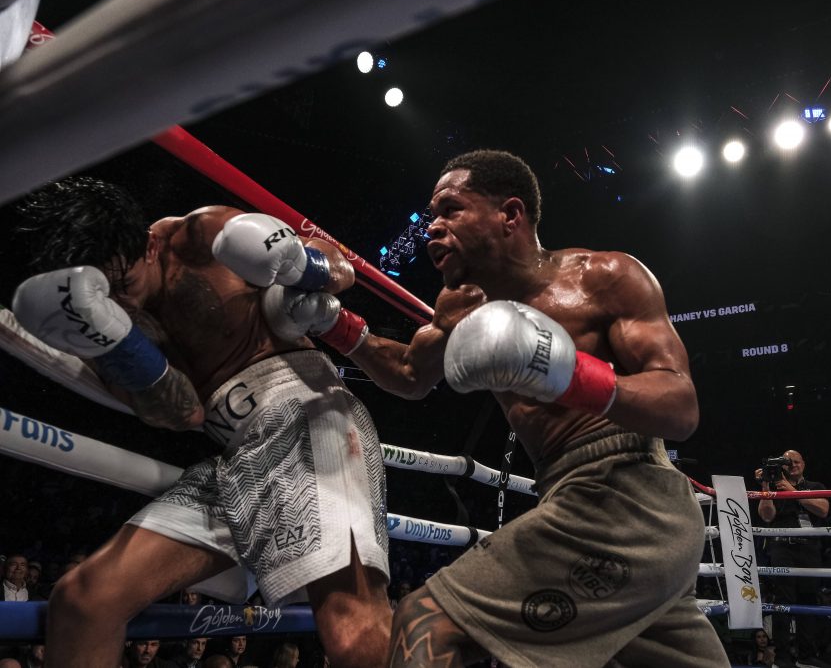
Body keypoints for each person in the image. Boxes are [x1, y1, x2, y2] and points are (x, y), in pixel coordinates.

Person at [264, 149, 730, 666]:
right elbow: (410, 376)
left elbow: (681, 406)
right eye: (432, 216)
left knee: (425, 622)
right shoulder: (462, 305)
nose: (432, 229)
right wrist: (334, 324)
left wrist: (572, 375)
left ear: (510, 214)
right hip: (573, 496)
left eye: (450, 210)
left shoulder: (605, 276)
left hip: (631, 493)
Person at [7, 176, 391, 667]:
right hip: (232, 459)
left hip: (304, 419)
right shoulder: (94, 317)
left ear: (148, 246)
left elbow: (340, 268)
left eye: (124, 285)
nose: (120, 304)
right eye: (106, 296)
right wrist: (119, 346)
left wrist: (304, 265)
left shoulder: (201, 235)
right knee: (85, 600)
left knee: (352, 631)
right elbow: (180, 412)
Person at [756, 449, 830, 660]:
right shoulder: (776, 488)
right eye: (788, 463)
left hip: (808, 548)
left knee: (808, 599)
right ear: (782, 467)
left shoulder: (815, 487)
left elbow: (823, 509)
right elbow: (767, 516)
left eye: (797, 461)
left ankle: (807, 655)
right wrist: (766, 485)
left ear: (804, 464)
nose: (793, 465)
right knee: (783, 601)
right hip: (782, 547)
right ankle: (783, 657)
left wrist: (792, 491)